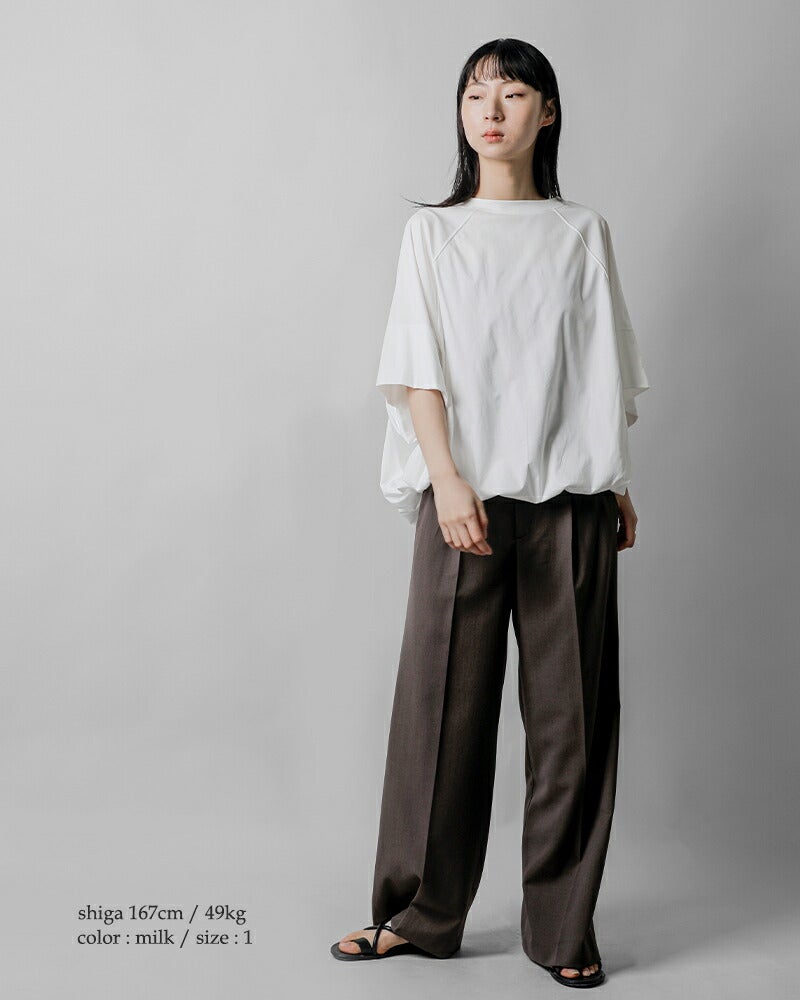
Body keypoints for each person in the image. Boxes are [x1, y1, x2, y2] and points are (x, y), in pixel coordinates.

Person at [330, 37, 649, 989]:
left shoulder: (582, 232)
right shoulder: (434, 234)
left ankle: (563, 928)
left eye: (513, 93)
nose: (492, 110)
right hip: (461, 501)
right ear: (462, 114)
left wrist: (616, 481)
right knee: (441, 715)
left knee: (572, 725)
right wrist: (447, 480)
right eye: (476, 94)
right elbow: (416, 365)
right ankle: (420, 915)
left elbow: (600, 366)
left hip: (570, 506)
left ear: (548, 113)